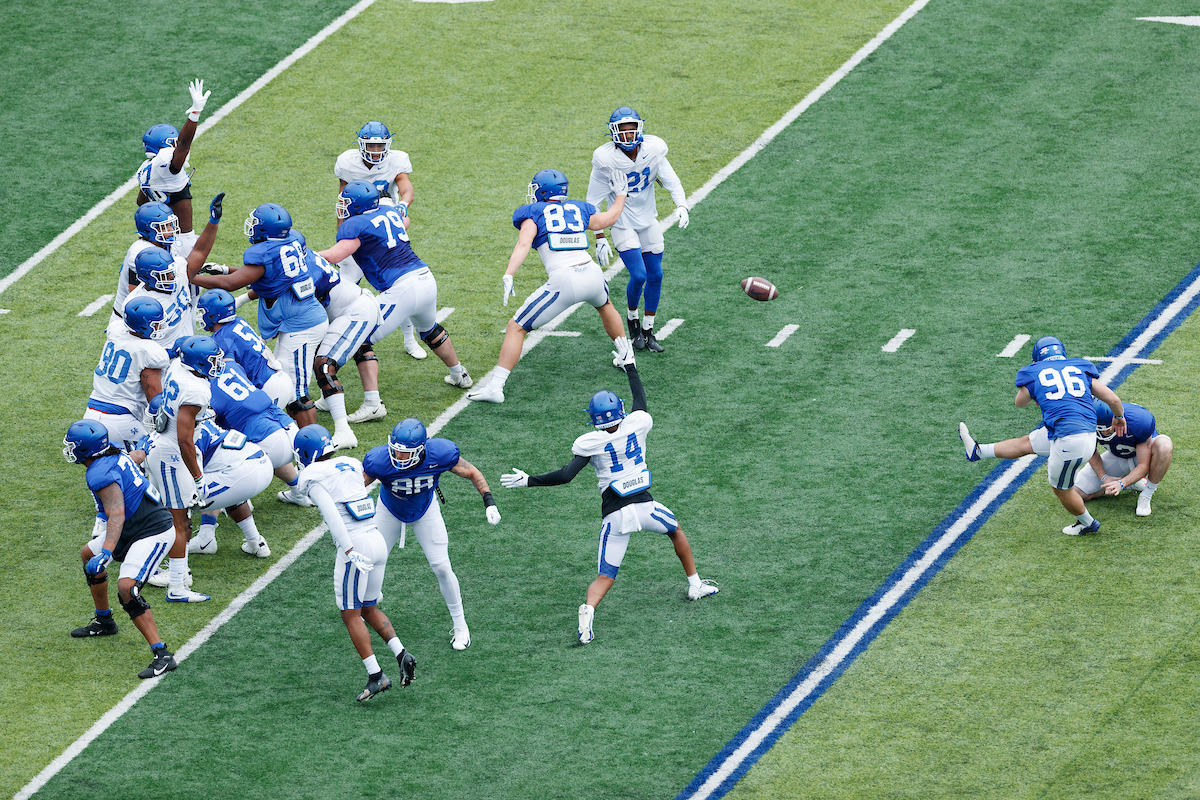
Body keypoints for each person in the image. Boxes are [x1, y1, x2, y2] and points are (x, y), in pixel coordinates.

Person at [499, 351, 717, 645]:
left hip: (614, 517)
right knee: (675, 530)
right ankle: (695, 584)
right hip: (645, 507)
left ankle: (588, 611)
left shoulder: (590, 442)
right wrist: (630, 368)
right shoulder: (637, 423)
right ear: (620, 412)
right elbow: (640, 402)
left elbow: (565, 475)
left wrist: (529, 480)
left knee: (606, 576)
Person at [466, 168, 634, 404]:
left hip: (565, 279)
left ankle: (495, 388)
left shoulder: (533, 212)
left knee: (516, 327)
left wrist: (509, 273)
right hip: (592, 273)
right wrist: (621, 194)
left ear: (543, 191)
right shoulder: (578, 209)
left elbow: (524, 244)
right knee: (605, 305)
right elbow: (609, 219)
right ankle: (627, 356)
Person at [317, 181, 473, 419]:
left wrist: (305, 255)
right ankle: (459, 374)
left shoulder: (357, 225)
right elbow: (403, 223)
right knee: (430, 330)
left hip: (403, 288)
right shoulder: (389, 212)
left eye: (346, 203)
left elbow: (336, 254)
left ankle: (373, 404)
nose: (342, 207)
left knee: (359, 336)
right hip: (425, 279)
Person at [292, 424, 417, 701]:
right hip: (376, 539)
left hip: (356, 546)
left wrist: (348, 551)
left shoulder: (312, 476)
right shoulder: (348, 463)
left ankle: (376, 676)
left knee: (351, 612)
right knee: (370, 607)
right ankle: (401, 653)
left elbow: (332, 515)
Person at [966, 335, 1127, 536]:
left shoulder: (1032, 372)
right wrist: (1119, 417)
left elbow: (1020, 402)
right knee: (1027, 443)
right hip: (1081, 432)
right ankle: (978, 451)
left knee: (1061, 489)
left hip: (1070, 440)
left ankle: (1088, 523)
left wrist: (1036, 394)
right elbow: (1113, 398)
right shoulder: (1079, 367)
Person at [362, 418, 501, 650]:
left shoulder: (440, 454)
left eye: (405, 453)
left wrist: (489, 502)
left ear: (421, 450)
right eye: (395, 451)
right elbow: (356, 487)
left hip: (426, 509)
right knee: (372, 560)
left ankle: (460, 625)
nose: (398, 457)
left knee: (442, 567)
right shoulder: (380, 460)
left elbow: (472, 473)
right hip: (389, 509)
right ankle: (371, 599)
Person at [191, 202, 329, 428]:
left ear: (265, 230)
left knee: (296, 393)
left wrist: (189, 276)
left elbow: (230, 284)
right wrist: (226, 269)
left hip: (302, 326)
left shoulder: (266, 253)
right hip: (302, 321)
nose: (251, 228)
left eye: (255, 224)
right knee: (287, 385)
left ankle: (312, 443)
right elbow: (264, 275)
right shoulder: (289, 243)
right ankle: (295, 434)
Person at [64, 420, 179, 679]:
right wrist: (144, 450)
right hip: (134, 525)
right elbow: (133, 457)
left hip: (152, 530)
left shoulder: (98, 474)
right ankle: (105, 621)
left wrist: (106, 551)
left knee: (127, 588)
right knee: (87, 555)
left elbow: (116, 512)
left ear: (85, 450)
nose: (69, 449)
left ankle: (163, 654)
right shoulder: (111, 451)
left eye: (73, 444)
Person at [586, 107, 689, 353]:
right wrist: (599, 237)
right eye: (623, 129)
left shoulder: (654, 150)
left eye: (631, 128)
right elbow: (592, 203)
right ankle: (632, 322)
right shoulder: (605, 159)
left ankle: (648, 330)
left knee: (656, 276)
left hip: (648, 219)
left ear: (639, 128)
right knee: (640, 275)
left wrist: (682, 205)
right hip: (622, 224)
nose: (629, 134)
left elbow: (672, 180)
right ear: (614, 132)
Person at [333, 120, 427, 362]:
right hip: (357, 228)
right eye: (371, 146)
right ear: (361, 144)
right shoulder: (347, 162)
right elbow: (342, 201)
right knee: (339, 288)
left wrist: (402, 207)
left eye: (379, 146)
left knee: (397, 286)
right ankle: (333, 335)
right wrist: (341, 238)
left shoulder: (396, 160)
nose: (375, 151)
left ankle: (409, 339)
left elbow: (407, 189)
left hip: (385, 231)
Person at [143, 336, 224, 602]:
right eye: (212, 360)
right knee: (180, 522)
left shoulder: (179, 366)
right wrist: (198, 477)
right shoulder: (196, 390)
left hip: (160, 444)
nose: (217, 364)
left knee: (171, 517)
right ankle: (176, 586)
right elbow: (185, 441)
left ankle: (165, 571)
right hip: (171, 455)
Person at [110, 194, 225, 353]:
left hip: (169, 315)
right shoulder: (140, 254)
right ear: (148, 230)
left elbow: (193, 260)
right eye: (165, 227)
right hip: (141, 320)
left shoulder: (167, 248)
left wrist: (213, 221)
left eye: (171, 224)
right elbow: (140, 306)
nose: (171, 230)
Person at [308, 252, 382, 450]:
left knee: (324, 365)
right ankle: (328, 399)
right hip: (348, 309)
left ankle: (344, 431)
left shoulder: (302, 273)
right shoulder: (302, 262)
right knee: (328, 349)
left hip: (357, 311)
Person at [136, 79, 212, 254]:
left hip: (161, 240)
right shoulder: (166, 163)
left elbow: (141, 203)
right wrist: (195, 113)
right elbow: (184, 145)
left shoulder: (145, 169)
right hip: (182, 243)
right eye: (173, 143)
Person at [85, 297, 168, 453]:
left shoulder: (116, 330)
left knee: (106, 470)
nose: (159, 326)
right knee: (143, 465)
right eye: (155, 324)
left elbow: (131, 348)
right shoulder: (150, 352)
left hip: (91, 412)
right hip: (120, 419)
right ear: (143, 326)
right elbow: (155, 399)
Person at [197, 289, 293, 408]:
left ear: (212, 315)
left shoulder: (221, 340)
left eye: (202, 312)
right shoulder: (238, 321)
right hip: (280, 378)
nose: (200, 316)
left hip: (268, 387)